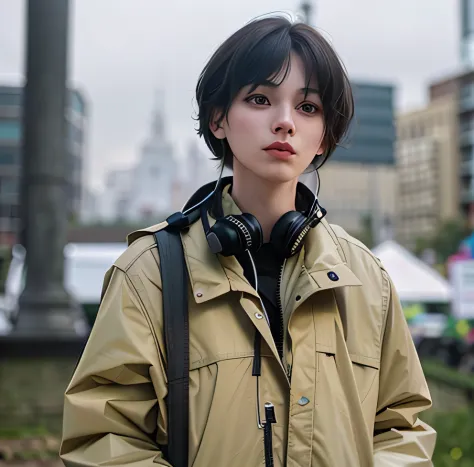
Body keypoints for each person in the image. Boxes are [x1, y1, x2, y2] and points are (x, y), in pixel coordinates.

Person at [60, 14, 436, 467]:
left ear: (323, 137)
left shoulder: (366, 280)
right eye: (260, 99)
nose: (284, 122)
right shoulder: (151, 274)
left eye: (308, 107)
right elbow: (103, 438)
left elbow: (402, 429)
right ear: (219, 119)